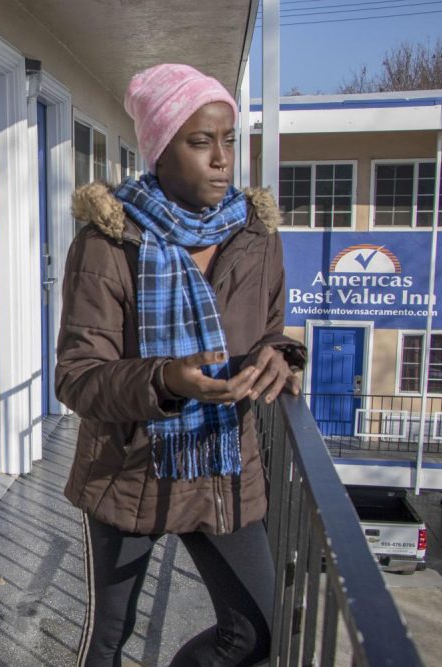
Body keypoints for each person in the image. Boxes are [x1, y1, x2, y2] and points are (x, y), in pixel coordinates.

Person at [55, 64, 306, 666]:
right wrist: (165, 379)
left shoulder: (257, 235)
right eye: (200, 142)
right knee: (107, 641)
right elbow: (78, 375)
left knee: (257, 634)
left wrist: (280, 354)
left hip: (222, 464)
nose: (222, 159)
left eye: (228, 140)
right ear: (160, 151)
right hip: (127, 469)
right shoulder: (107, 242)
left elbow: (271, 329)